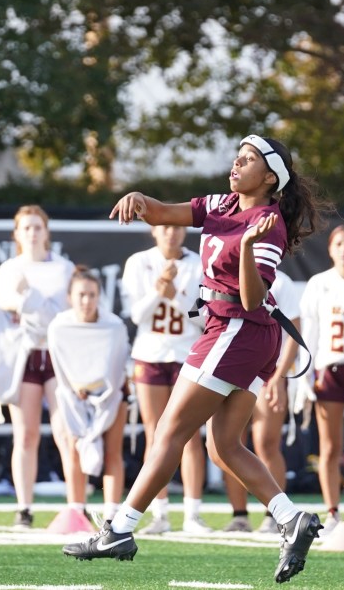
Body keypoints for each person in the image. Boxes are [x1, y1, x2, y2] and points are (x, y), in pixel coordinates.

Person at [63, 134, 328, 584]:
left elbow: (250, 297)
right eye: (237, 157)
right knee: (222, 445)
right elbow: (165, 212)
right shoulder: (224, 204)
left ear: (268, 179)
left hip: (237, 329)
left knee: (169, 429)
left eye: (247, 161)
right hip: (235, 332)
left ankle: (120, 528)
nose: (236, 164)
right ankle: (291, 519)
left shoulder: (268, 222)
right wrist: (139, 199)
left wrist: (245, 246)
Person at [0, 204, 74, 528]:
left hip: (57, 355)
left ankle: (76, 506)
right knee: (26, 434)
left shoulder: (63, 269)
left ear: (47, 232)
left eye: (38, 227)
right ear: (16, 234)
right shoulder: (8, 270)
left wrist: (29, 296)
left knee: (66, 432)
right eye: (26, 228)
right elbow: (0, 320)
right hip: (23, 357)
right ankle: (24, 508)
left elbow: (60, 318)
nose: (33, 233)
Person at [121, 224, 211, 535]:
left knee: (188, 434)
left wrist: (176, 295)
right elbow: (137, 316)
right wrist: (159, 292)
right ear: (154, 232)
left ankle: (192, 514)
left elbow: (204, 317)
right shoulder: (138, 262)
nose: (171, 232)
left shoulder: (199, 263)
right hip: (149, 354)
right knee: (154, 433)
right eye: (164, 227)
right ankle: (159, 513)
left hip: (188, 355)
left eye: (176, 226)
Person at [296, 225, 344, 535]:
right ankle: (333, 512)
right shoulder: (319, 284)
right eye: (338, 243)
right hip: (330, 370)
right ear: (329, 249)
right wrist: (304, 374)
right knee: (330, 447)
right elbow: (309, 333)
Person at [221, 269, 301, 534]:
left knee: (267, 443)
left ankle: (273, 515)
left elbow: (294, 330)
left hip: (266, 371)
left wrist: (279, 377)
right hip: (234, 365)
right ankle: (239, 514)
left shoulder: (283, 280)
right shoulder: (226, 273)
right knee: (227, 442)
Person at [48, 266, 130, 523]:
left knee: (113, 451)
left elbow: (118, 364)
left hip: (111, 396)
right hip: (73, 397)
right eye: (81, 294)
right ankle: (77, 509)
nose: (87, 301)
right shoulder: (59, 326)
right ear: (70, 297)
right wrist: (76, 390)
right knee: (73, 449)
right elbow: (59, 365)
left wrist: (103, 392)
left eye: (92, 294)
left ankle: (111, 515)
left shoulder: (114, 325)